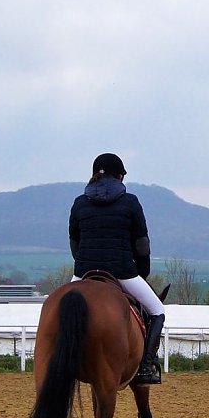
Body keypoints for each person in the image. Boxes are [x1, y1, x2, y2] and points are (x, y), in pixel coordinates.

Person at [69, 153, 165, 385]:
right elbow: (142, 244)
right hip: (122, 272)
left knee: (61, 310)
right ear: (120, 176)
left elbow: (74, 243)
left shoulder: (79, 203)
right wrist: (142, 272)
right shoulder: (130, 202)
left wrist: (84, 266)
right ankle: (145, 368)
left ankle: (57, 360)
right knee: (157, 311)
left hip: (83, 273)